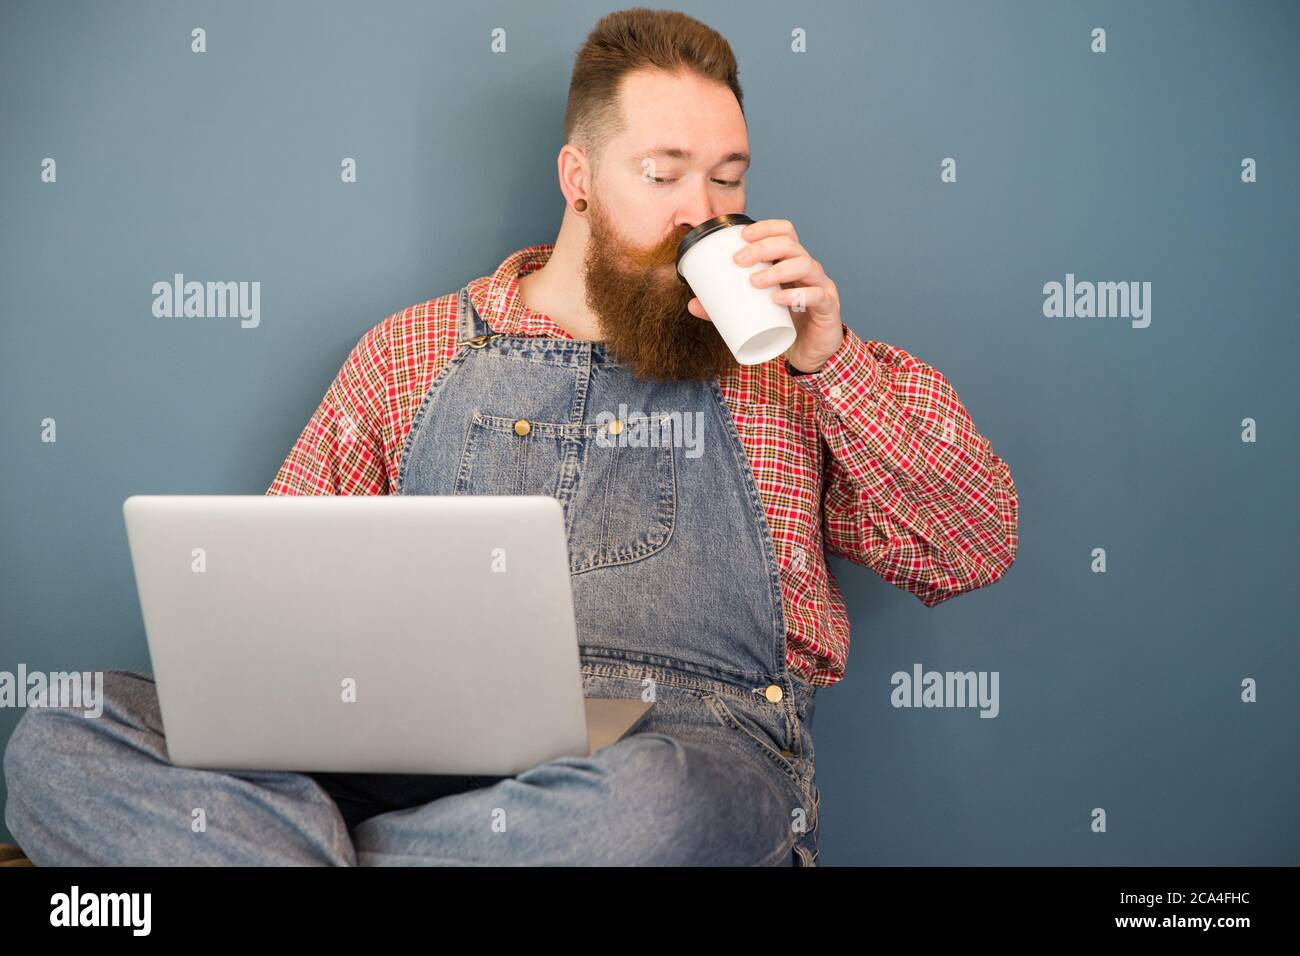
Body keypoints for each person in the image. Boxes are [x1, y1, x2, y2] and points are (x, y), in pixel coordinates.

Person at [3, 7, 1018, 867]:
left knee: (655, 804)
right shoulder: (412, 351)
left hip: (683, 752)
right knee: (63, 730)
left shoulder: (792, 369)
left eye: (726, 177)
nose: (702, 214)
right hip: (416, 745)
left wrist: (829, 357)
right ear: (577, 175)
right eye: (663, 174)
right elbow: (275, 628)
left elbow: (971, 546)